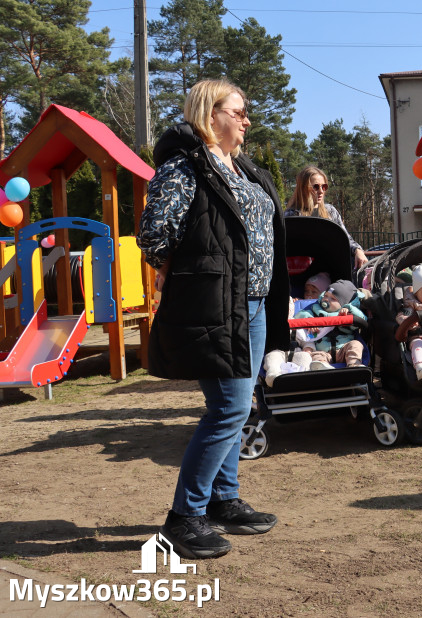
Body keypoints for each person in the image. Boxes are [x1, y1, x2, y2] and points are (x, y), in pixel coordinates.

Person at [138, 79, 287, 560]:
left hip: (256, 303)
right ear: (210, 113)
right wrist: (187, 275)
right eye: (238, 111)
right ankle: (183, 519)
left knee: (240, 408)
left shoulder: (241, 168)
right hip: (217, 305)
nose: (247, 120)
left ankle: (223, 501)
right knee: (227, 409)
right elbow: (154, 235)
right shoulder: (185, 168)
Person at [285, 166, 368, 272]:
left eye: (324, 187)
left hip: (331, 271)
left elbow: (345, 238)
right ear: (303, 188)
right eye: (315, 187)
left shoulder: (330, 211)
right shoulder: (292, 216)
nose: (321, 191)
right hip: (301, 273)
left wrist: (358, 250)